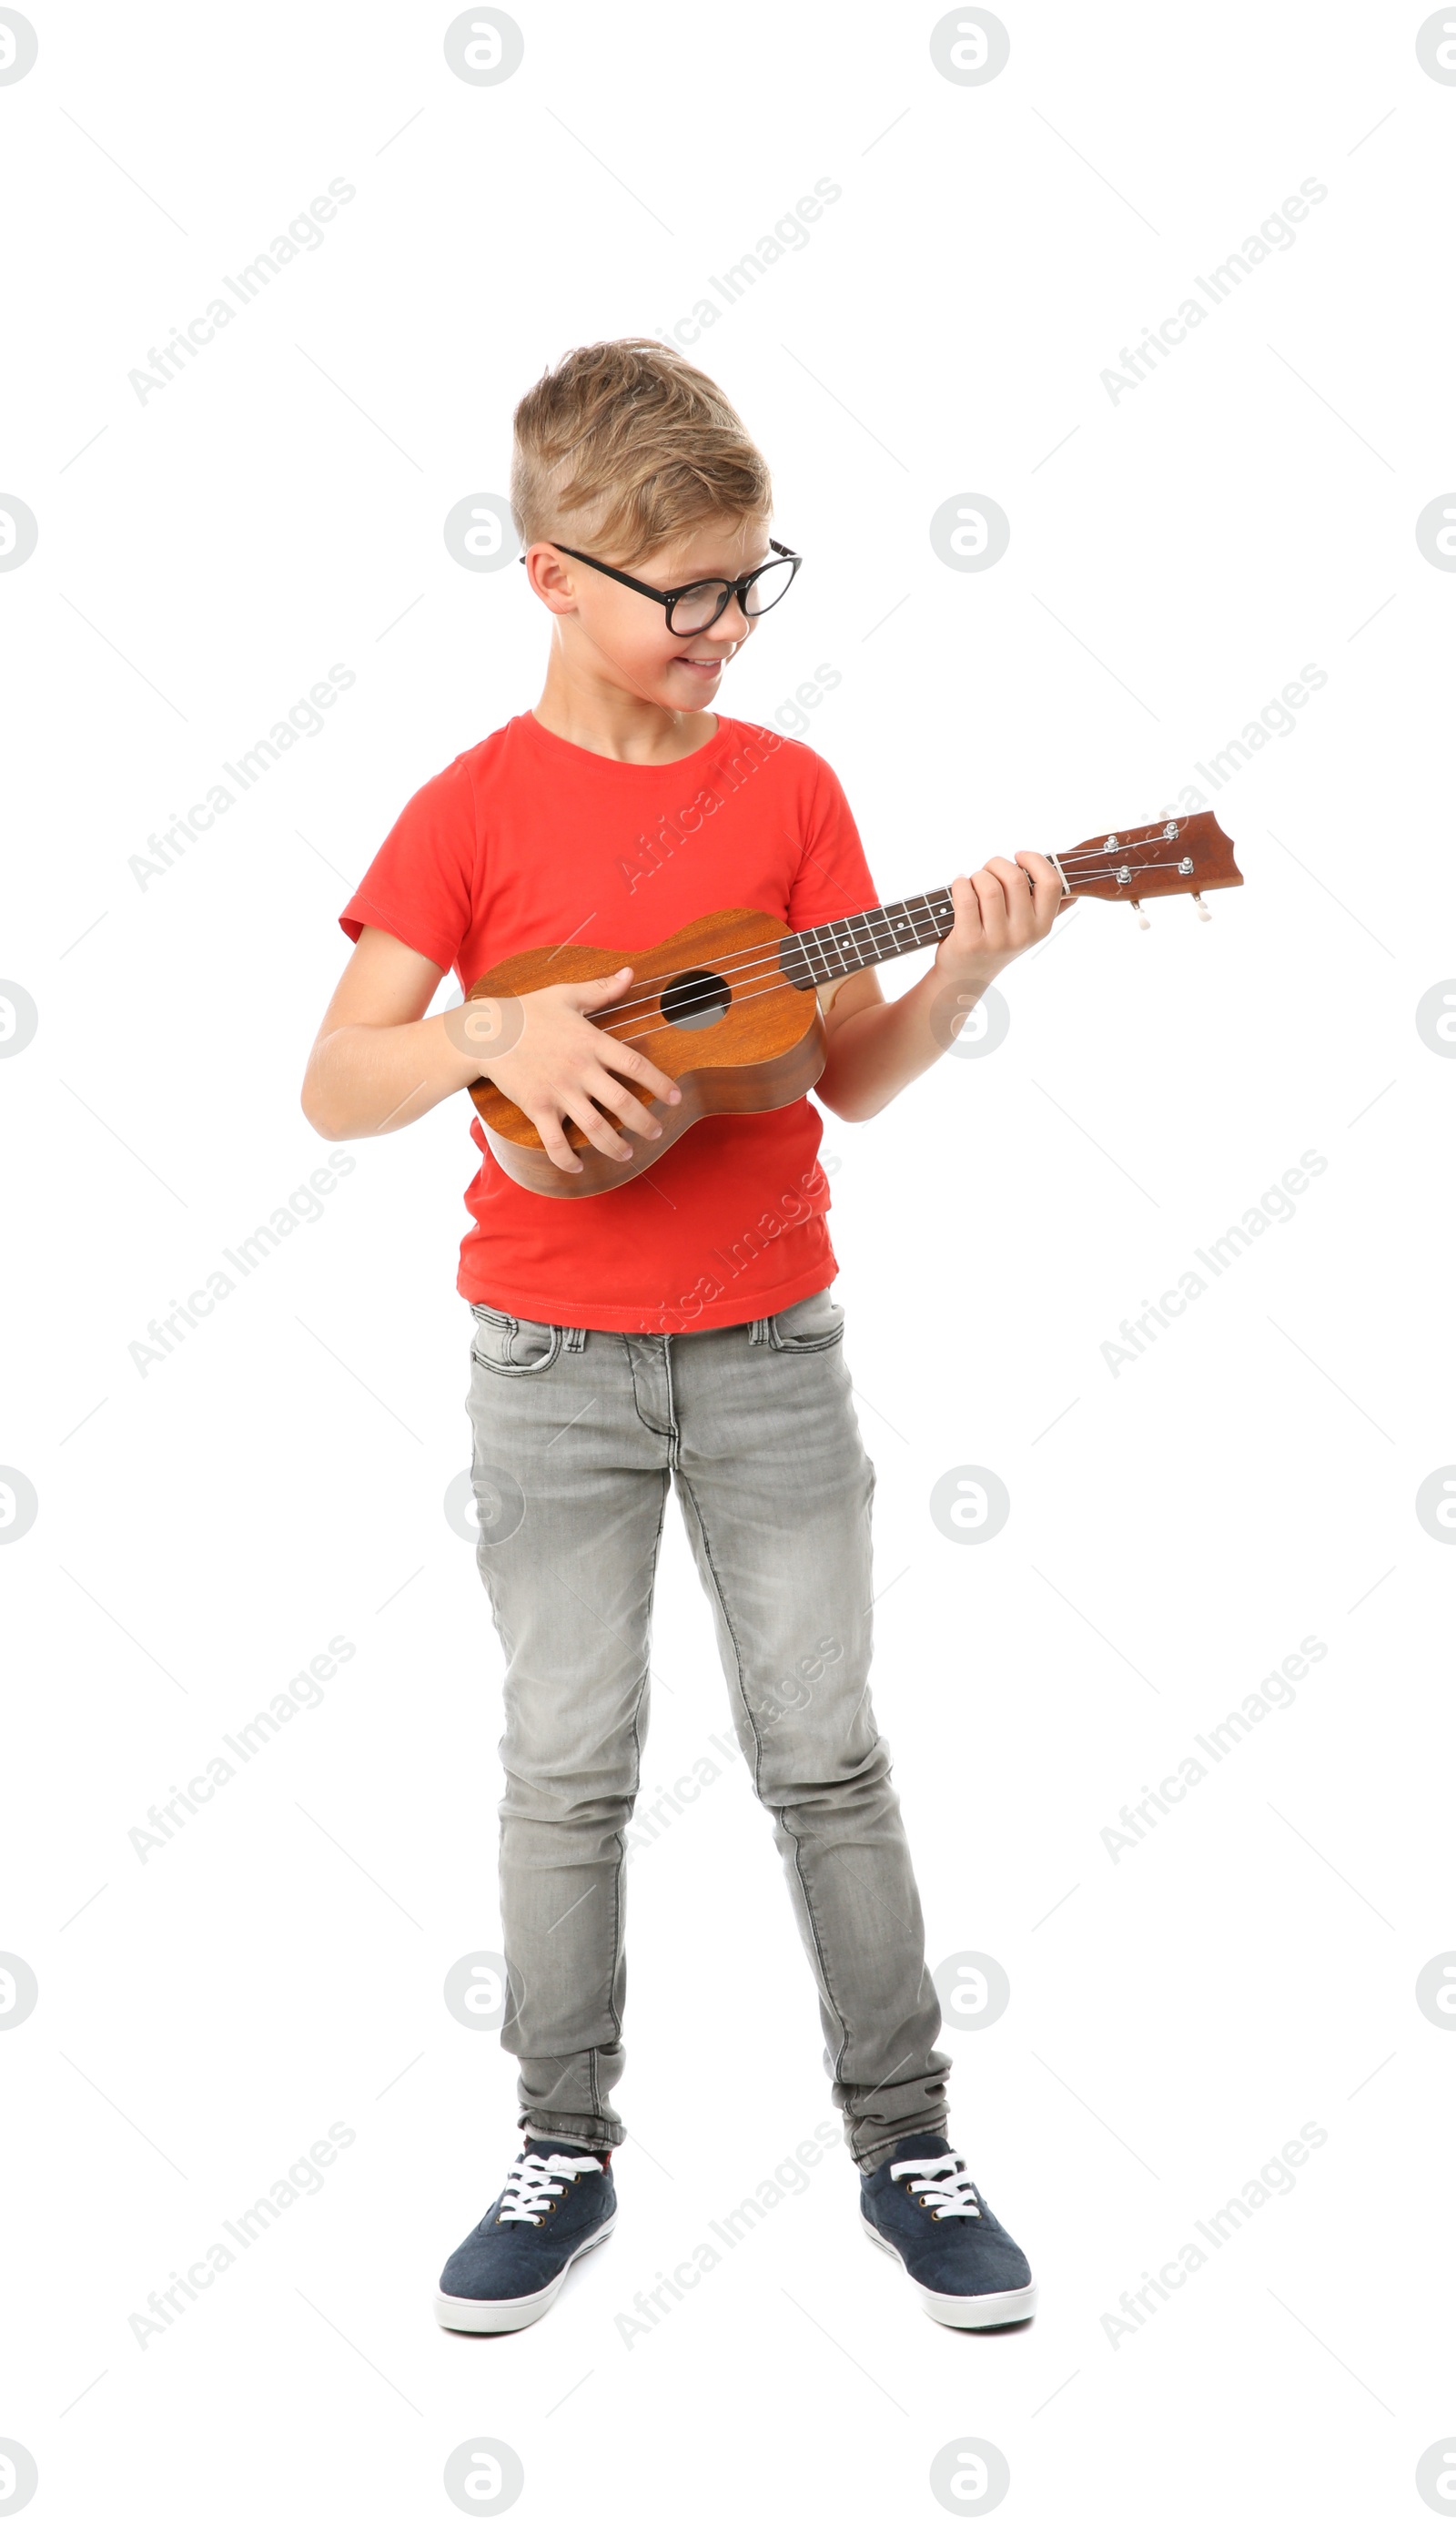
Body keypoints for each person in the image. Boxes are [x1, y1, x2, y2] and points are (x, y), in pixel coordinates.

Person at [300, 338, 1059, 2336]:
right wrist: (492, 1025)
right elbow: (332, 1079)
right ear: (551, 573)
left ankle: (906, 2140)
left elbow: (847, 1078)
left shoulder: (788, 791)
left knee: (824, 1750)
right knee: (566, 1766)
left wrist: (959, 971)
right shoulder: (466, 813)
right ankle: (562, 2140)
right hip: (541, 1366)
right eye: (685, 593)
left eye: (748, 581)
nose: (725, 624)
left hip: (770, 1356)